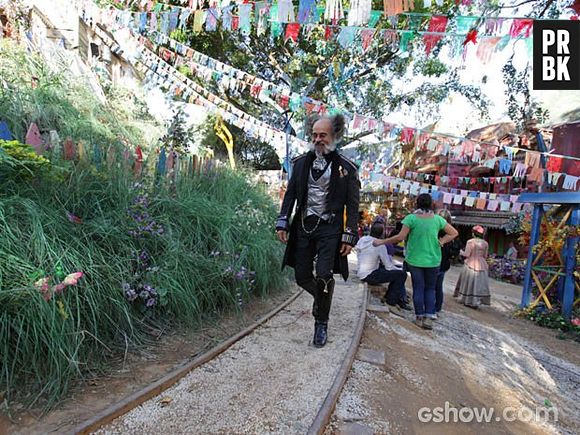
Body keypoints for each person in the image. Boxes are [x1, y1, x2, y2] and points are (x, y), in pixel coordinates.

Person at [276, 114, 360, 348]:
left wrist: (349, 235)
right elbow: (291, 194)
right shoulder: (300, 163)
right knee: (301, 276)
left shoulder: (347, 168)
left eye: (322, 135)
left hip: (330, 229)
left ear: (334, 136)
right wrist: (282, 221)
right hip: (303, 225)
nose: (317, 139)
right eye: (314, 135)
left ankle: (321, 323)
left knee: (324, 274)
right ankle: (322, 299)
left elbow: (353, 206)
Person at [373, 194, 458, 330]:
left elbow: (400, 237)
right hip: (433, 260)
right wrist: (441, 241)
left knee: (418, 288)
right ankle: (429, 318)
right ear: (431, 205)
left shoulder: (411, 218)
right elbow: (453, 233)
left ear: (417, 204)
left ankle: (419, 317)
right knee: (430, 289)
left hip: (415, 260)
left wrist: (382, 241)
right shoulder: (437, 220)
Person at [355, 222, 410, 313]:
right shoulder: (380, 245)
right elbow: (388, 266)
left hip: (361, 272)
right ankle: (390, 302)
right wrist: (400, 269)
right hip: (370, 275)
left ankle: (389, 297)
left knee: (394, 272)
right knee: (401, 275)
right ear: (382, 233)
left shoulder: (362, 239)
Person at [454, 225, 490, 308]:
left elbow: (467, 254)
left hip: (471, 263)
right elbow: (485, 256)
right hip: (481, 264)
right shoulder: (485, 243)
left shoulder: (470, 242)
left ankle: (466, 299)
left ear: (473, 233)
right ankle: (476, 301)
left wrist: (460, 252)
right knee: (478, 284)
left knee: (469, 282)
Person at [434, 209, 454, 318]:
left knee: (431, 286)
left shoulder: (437, 231)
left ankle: (432, 307)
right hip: (444, 263)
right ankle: (437, 307)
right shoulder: (452, 232)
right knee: (438, 286)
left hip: (436, 261)